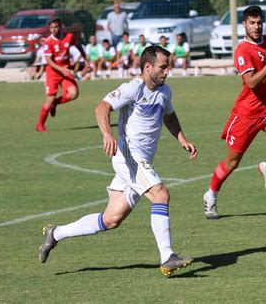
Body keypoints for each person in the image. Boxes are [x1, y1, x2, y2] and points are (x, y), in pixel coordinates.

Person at [38, 45, 197, 277]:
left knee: (111, 219)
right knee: (161, 194)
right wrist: (107, 134)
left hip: (140, 161)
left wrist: (182, 138)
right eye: (163, 67)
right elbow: (101, 108)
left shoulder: (165, 92)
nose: (167, 72)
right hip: (129, 158)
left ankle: (55, 234)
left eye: (168, 67)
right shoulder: (133, 88)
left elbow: (169, 115)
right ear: (148, 67)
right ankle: (167, 257)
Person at [202, 5, 266, 219]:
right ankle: (211, 194)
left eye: (259, 23)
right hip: (247, 114)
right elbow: (251, 83)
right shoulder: (242, 50)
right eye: (252, 23)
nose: (256, 27)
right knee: (232, 162)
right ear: (244, 25)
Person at [36, 18, 88, 132]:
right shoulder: (48, 42)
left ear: (60, 27)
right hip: (53, 72)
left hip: (65, 70)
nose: (53, 30)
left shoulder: (68, 37)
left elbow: (78, 45)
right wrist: (61, 69)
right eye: (51, 28)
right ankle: (40, 125)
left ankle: (54, 104)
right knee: (49, 99)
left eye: (56, 27)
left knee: (74, 93)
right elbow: (48, 61)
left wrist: (86, 60)